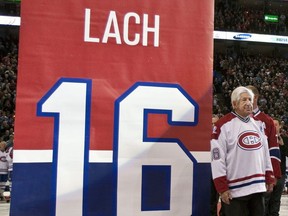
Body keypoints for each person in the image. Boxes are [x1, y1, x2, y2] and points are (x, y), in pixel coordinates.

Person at [211, 86, 275, 216]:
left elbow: (265, 153)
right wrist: (222, 187)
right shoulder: (223, 125)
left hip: (257, 187)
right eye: (243, 100)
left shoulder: (259, 124)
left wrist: (269, 175)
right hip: (235, 190)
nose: (248, 103)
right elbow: (217, 159)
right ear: (234, 104)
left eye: (250, 100)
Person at [246, 85, 281, 179]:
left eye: (248, 97)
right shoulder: (234, 120)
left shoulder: (267, 121)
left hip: (262, 174)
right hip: (241, 172)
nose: (245, 101)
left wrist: (275, 174)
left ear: (255, 97)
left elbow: (273, 148)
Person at [265, 119, 288, 215]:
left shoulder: (285, 139)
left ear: (280, 126)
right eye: (272, 125)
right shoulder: (265, 139)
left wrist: (282, 145)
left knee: (276, 199)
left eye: (276, 125)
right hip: (268, 174)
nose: (274, 127)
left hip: (280, 174)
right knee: (266, 199)